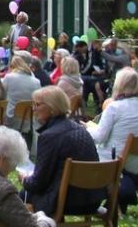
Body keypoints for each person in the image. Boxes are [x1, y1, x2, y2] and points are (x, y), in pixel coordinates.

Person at [20, 86, 101, 216]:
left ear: (52, 108)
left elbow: (38, 183)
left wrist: (24, 179)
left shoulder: (50, 136)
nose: (34, 109)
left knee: (22, 196)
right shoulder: (81, 129)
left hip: (67, 201)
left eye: (37, 104)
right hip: (93, 199)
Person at [88, 68, 138, 209]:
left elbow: (100, 137)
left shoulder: (114, 108)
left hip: (111, 162)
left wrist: (86, 129)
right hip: (135, 164)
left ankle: (84, 199)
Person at [3, 54, 40, 134]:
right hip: (29, 119)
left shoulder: (9, 77)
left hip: (10, 117)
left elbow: (1, 94)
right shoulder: (36, 81)